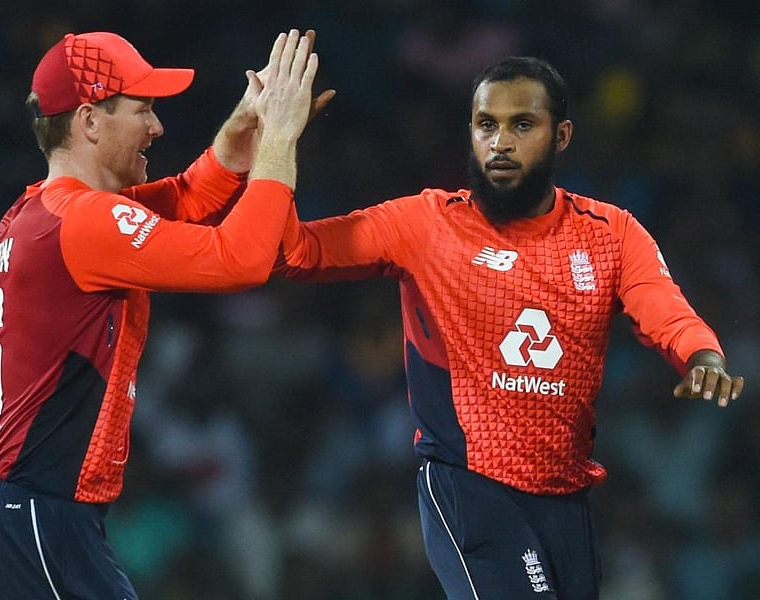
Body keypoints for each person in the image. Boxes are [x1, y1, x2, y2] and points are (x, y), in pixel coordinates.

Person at [273, 56, 745, 599]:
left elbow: (665, 309)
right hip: (471, 486)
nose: (500, 142)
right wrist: (278, 144)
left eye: (522, 124)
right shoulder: (428, 224)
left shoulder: (610, 234)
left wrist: (702, 355)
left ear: (561, 135)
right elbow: (292, 251)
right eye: (486, 125)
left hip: (566, 498)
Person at [0, 28, 322, 599]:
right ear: (90, 120)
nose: (157, 126)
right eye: (142, 109)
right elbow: (240, 260)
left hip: (31, 515)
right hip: (40, 516)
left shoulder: (42, 209)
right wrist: (279, 143)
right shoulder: (83, 223)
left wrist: (243, 130)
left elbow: (185, 198)